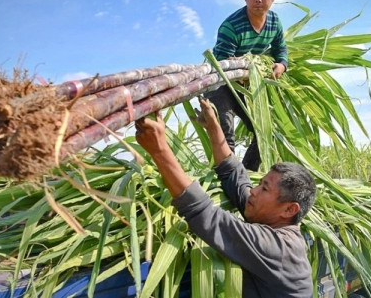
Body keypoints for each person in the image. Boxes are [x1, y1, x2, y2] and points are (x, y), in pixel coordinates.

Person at [135, 97, 316, 298]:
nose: (254, 191)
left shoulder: (278, 248)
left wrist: (159, 150)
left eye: (264, 189)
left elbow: (207, 216)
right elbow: (235, 177)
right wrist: (213, 126)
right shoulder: (275, 223)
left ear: (289, 209)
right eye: (259, 184)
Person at [205, 0, 288, 171]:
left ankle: (247, 176)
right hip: (221, 83)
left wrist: (281, 64)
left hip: (247, 85)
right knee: (226, 137)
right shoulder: (231, 26)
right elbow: (224, 62)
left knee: (265, 131)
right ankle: (226, 184)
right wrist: (247, 73)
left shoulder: (275, 23)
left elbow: (281, 48)